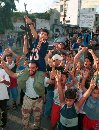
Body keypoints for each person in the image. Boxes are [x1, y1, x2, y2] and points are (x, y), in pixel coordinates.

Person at [0, 58, 10, 130]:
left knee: (4, 112)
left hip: (3, 96)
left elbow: (9, 84)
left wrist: (3, 81)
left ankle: (4, 125)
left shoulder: (4, 71)